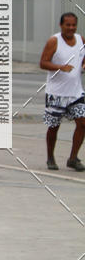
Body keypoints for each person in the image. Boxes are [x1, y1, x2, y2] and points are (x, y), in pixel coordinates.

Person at [40, 12, 85, 171]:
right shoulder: (54, 41)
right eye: (68, 25)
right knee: (54, 126)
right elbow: (43, 62)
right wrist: (60, 67)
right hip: (56, 93)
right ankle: (50, 158)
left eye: (74, 25)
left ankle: (73, 158)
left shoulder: (81, 40)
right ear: (61, 25)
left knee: (83, 122)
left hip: (76, 92)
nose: (71, 28)